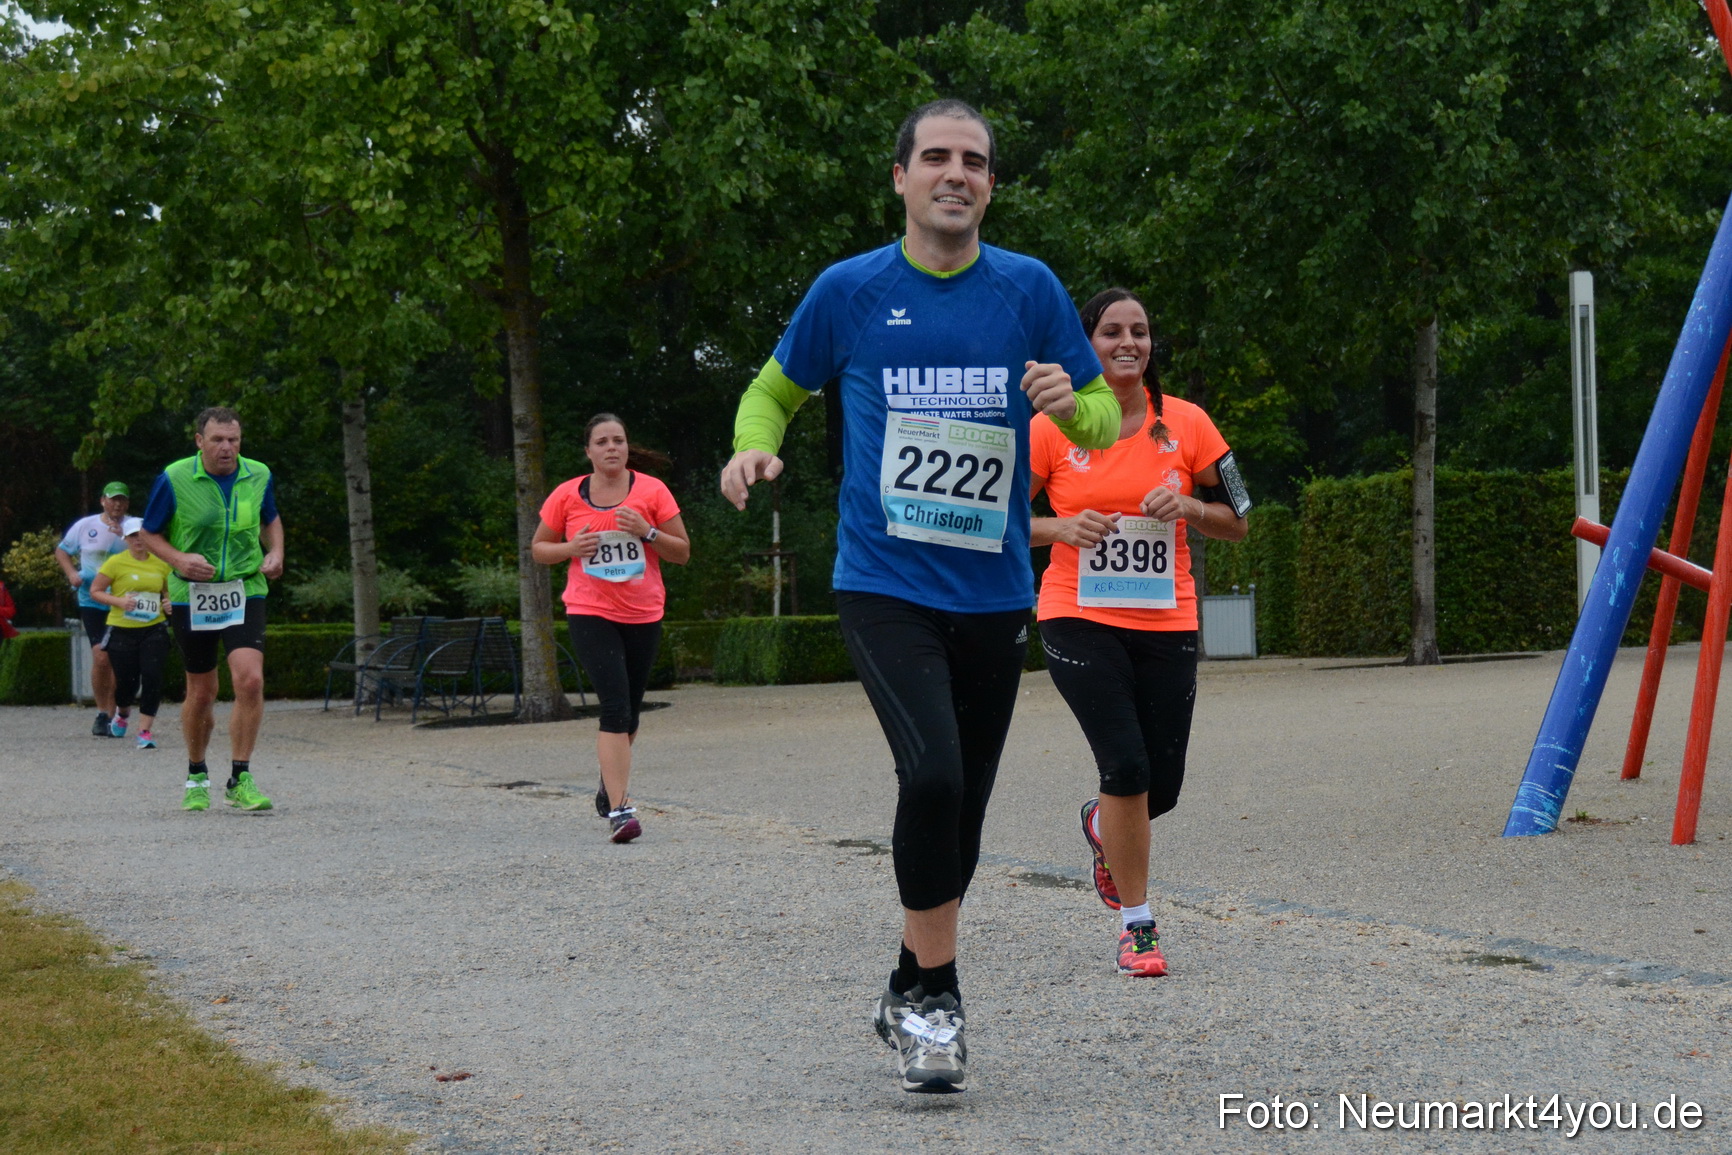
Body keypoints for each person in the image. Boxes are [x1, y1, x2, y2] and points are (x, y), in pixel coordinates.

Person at [719, 100, 1119, 1094]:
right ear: (897, 176)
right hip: (883, 585)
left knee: (963, 813)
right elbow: (774, 387)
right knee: (933, 777)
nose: (955, 173)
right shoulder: (849, 291)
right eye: (935, 157)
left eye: (973, 161)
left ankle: (904, 982)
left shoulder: (1027, 289)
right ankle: (938, 1001)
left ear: (990, 183)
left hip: (990, 592)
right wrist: (750, 442)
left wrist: (1078, 406)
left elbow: (1104, 414)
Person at [1030, 287, 1251, 978]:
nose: (1129, 343)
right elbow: (999, 520)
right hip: (1077, 612)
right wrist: (1061, 527)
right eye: (1112, 332)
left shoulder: (1187, 422)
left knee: (1161, 786)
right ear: (1085, 343)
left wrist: (1189, 503)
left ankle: (1103, 823)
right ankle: (1138, 925)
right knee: (1125, 764)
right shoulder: (1049, 425)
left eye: (1141, 331)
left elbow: (1240, 514)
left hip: (1167, 618)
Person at [533, 414, 690, 844]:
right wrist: (571, 547)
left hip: (643, 612)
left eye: (618, 440)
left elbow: (682, 552)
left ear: (626, 447)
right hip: (590, 611)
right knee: (615, 707)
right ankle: (621, 811)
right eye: (602, 442)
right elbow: (539, 549)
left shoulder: (652, 491)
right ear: (589, 451)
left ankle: (609, 783)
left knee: (631, 712)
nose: (611, 448)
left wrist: (648, 531)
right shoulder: (566, 495)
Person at [138, 407, 284, 813]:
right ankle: (196, 773)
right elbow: (149, 533)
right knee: (202, 691)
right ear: (199, 441)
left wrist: (276, 552)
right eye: (218, 440)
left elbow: (270, 518)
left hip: (244, 587)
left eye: (233, 440)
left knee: (250, 681)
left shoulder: (258, 474)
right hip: (193, 594)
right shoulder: (174, 477)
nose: (227, 448)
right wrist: (179, 560)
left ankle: (240, 778)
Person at [89, 517, 173, 750]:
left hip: (154, 628)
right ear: (125, 539)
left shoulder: (160, 563)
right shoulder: (115, 563)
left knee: (152, 675)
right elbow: (95, 591)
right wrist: (119, 601)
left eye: (142, 535)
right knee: (126, 682)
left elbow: (168, 592)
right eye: (133, 536)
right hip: (122, 630)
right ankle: (123, 713)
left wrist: (169, 603)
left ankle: (144, 731)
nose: (138, 540)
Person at [55, 481, 130, 736]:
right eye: (112, 499)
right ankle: (102, 714)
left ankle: (118, 714)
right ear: (103, 501)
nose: (117, 504)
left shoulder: (135, 527)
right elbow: (62, 551)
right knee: (101, 655)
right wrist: (71, 574)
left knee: (120, 659)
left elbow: (149, 553)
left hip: (124, 601)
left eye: (122, 500)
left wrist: (121, 533)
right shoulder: (85, 526)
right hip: (93, 599)